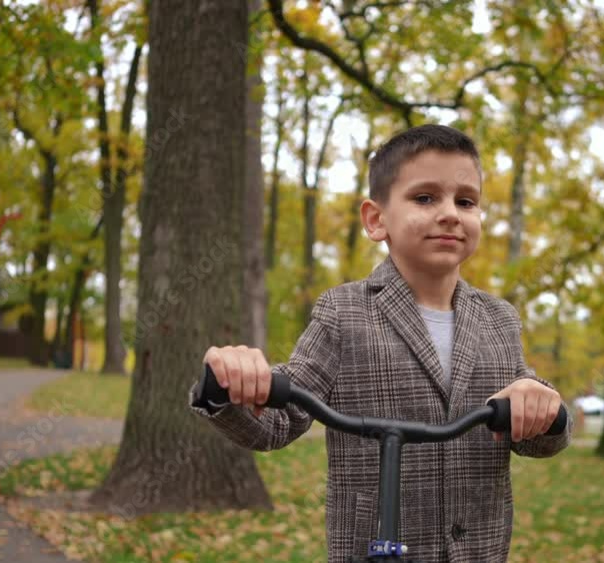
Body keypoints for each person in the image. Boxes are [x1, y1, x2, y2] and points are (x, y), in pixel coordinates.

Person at [188, 124, 571, 562]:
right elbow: (279, 421)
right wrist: (227, 383)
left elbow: (534, 438)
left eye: (465, 201)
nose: (450, 213)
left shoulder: (498, 319)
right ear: (376, 220)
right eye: (425, 198)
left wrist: (545, 409)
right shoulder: (344, 311)